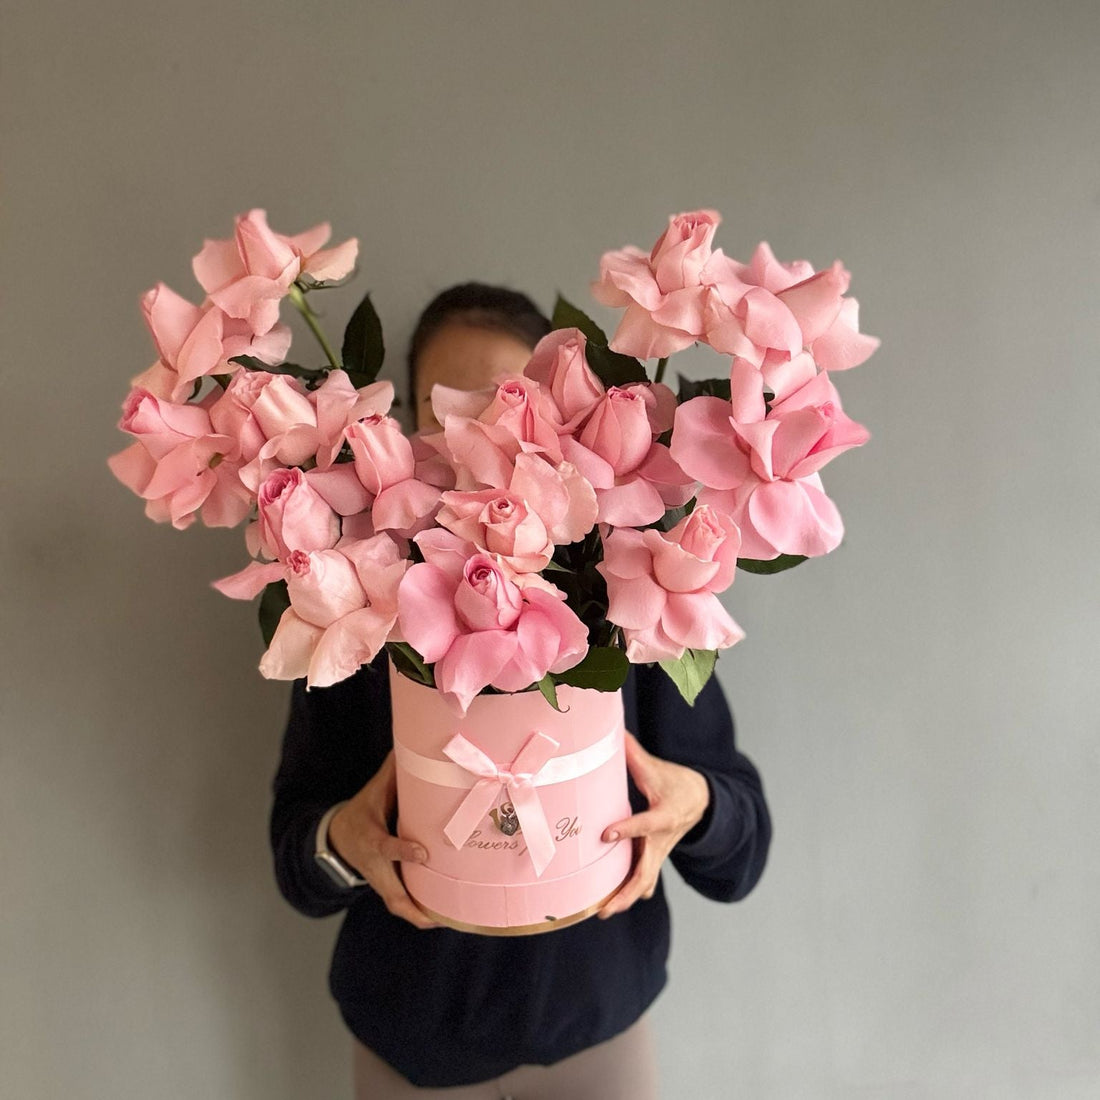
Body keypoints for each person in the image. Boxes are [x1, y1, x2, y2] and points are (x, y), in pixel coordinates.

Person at [270, 284, 773, 1098]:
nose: (476, 450)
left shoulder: (634, 610)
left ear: (559, 432)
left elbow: (742, 851)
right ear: (400, 443)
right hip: (409, 1044)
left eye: (507, 418)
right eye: (446, 420)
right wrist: (342, 841)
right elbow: (295, 860)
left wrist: (695, 808)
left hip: (599, 1034)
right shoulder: (350, 616)